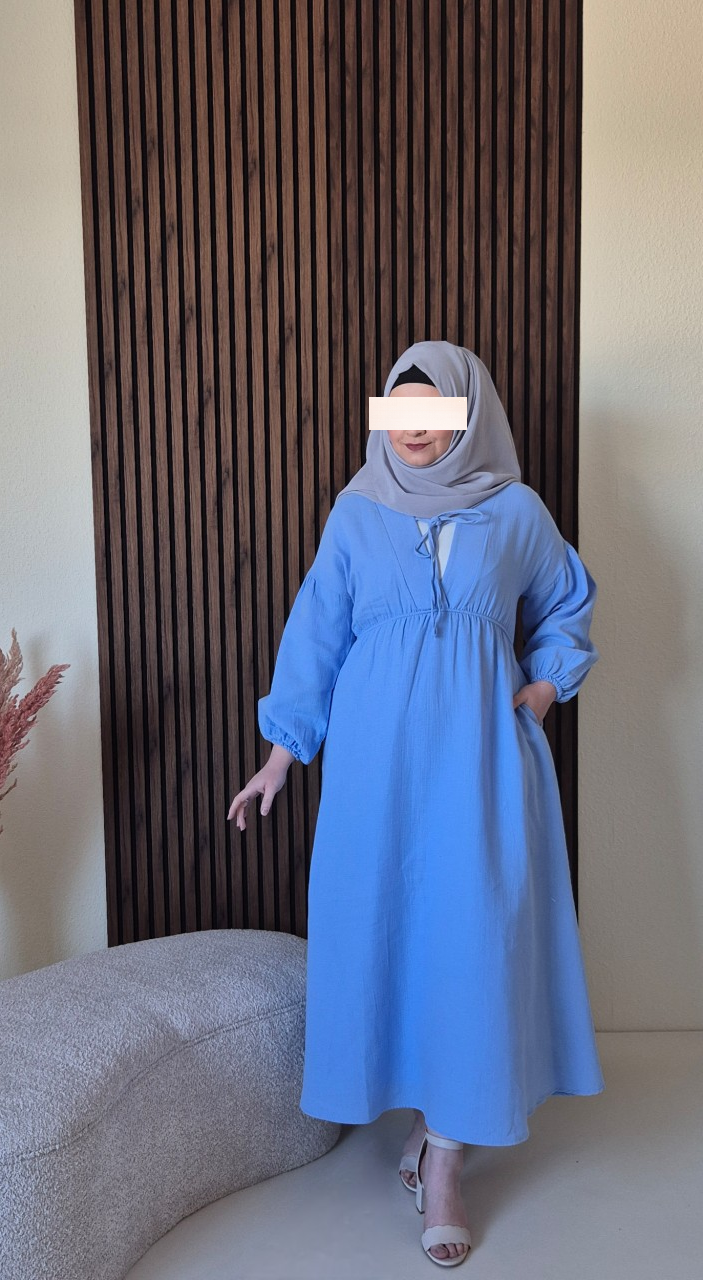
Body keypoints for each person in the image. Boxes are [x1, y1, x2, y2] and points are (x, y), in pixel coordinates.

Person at [227, 340, 604, 1267]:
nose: (416, 431)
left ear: (468, 415)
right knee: (393, 934)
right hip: (375, 771)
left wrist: (544, 687)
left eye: (434, 413)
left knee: (473, 941)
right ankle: (431, 1122)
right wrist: (281, 755)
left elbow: (567, 601)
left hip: (479, 763)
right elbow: (315, 633)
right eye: (400, 413)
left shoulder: (515, 511)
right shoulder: (356, 513)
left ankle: (445, 1162)